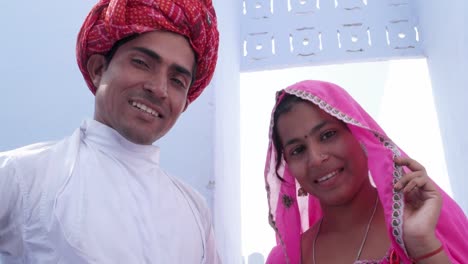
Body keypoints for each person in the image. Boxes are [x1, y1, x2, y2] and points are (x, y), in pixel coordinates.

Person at [0, 0, 219, 263]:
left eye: (177, 80)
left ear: (185, 102)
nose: (159, 88)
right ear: (98, 70)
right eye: (142, 63)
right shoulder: (26, 177)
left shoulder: (194, 211)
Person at [264, 80, 468, 264]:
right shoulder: (284, 259)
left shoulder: (424, 222)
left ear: (360, 135)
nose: (316, 159)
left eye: (328, 135)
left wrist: (423, 245)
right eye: (297, 150)